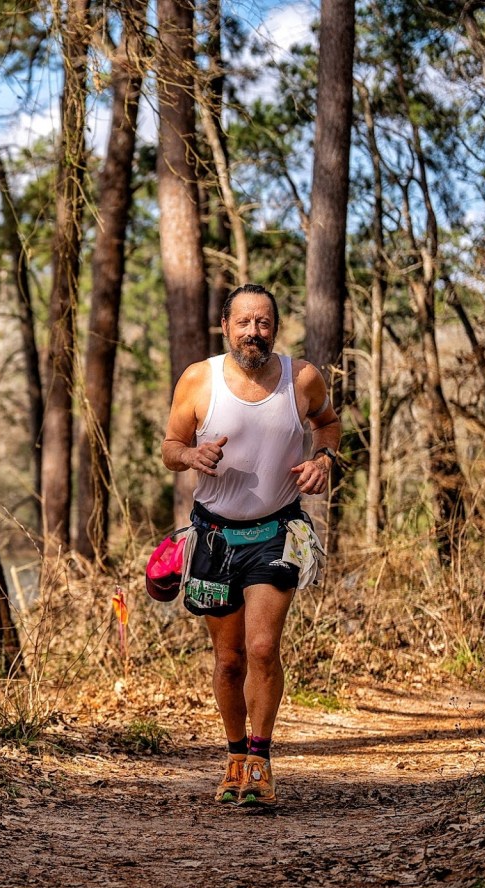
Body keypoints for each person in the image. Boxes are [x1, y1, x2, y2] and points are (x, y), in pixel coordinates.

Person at [161, 284, 341, 808]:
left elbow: (328, 425)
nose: (253, 332)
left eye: (263, 322)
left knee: (263, 648)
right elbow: (170, 447)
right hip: (215, 536)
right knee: (229, 660)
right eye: (243, 322)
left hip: (276, 532)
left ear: (275, 328)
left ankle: (260, 761)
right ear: (226, 328)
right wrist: (191, 457)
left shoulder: (302, 378)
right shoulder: (199, 379)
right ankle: (235, 755)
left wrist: (324, 462)